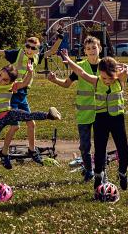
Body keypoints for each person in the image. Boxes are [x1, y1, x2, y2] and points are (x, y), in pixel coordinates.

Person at [0, 49, 62, 177]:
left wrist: (30, 73)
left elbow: (24, 83)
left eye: (4, 79)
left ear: (9, 82)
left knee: (27, 116)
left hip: (8, 114)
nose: (0, 79)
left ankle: (49, 115)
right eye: (0, 75)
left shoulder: (11, 86)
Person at [0, 29, 63, 168]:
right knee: (15, 126)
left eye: (33, 48)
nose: (29, 49)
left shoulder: (36, 57)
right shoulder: (17, 53)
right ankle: (4, 154)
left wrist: (60, 37)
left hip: (23, 95)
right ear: (24, 46)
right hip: (12, 95)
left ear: (37, 50)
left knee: (31, 124)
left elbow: (52, 51)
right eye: (27, 46)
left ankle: (32, 150)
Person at [60, 49, 128, 191]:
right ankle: (98, 175)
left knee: (123, 150)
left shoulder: (121, 79)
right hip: (101, 120)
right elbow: (80, 72)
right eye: (104, 78)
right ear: (99, 74)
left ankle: (122, 173)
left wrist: (124, 68)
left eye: (110, 78)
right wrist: (69, 60)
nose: (107, 81)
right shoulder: (96, 81)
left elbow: (126, 68)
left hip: (117, 119)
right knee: (99, 150)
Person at [48, 36, 101, 182]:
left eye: (94, 48)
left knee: (100, 144)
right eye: (88, 49)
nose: (91, 51)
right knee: (84, 146)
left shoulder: (105, 65)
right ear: (84, 51)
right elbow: (66, 83)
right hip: (84, 112)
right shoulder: (80, 67)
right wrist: (54, 80)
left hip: (102, 112)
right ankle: (89, 170)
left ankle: (100, 170)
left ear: (100, 49)